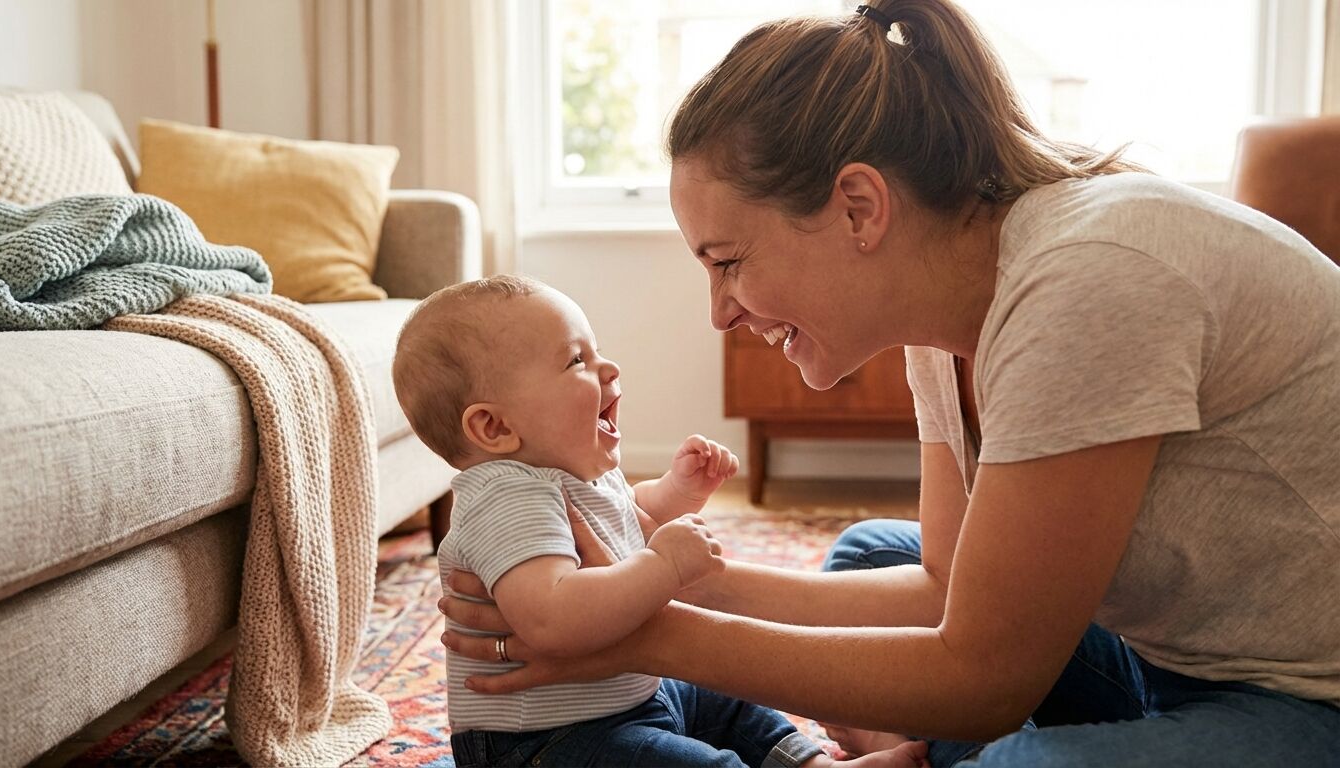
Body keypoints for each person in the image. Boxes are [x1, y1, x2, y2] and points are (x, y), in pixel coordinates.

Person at [437, 2, 1340, 766]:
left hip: (1308, 693)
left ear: (859, 207)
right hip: (1169, 650)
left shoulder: (1089, 277)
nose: (720, 312)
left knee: (983, 722)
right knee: (874, 552)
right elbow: (945, 589)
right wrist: (669, 579)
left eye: (728, 262)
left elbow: (985, 679)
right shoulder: (944, 318)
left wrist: (646, 633)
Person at [392, 275, 930, 767]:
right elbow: (553, 619)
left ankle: (808, 763)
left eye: (597, 350)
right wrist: (662, 566)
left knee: (729, 701)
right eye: (575, 361)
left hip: (630, 694)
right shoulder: (505, 496)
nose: (608, 368)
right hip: (550, 741)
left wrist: (676, 492)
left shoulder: (565, 469)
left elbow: (629, 519)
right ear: (493, 426)